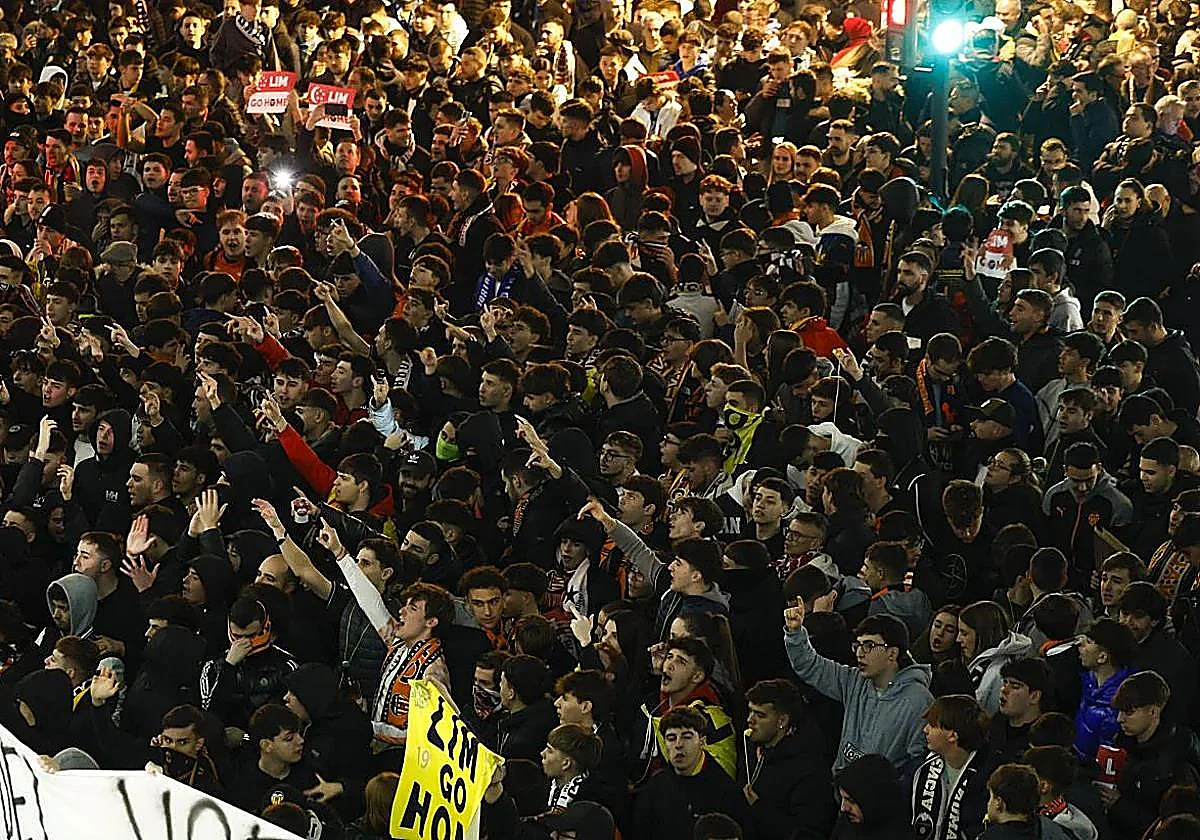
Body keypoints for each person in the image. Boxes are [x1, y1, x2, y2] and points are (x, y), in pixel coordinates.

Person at [784, 598, 933, 773]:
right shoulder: (854, 680)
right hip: (841, 783)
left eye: (869, 645)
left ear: (892, 653)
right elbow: (811, 665)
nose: (860, 653)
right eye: (858, 645)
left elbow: (918, 762)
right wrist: (795, 633)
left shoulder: (918, 701)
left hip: (879, 789)